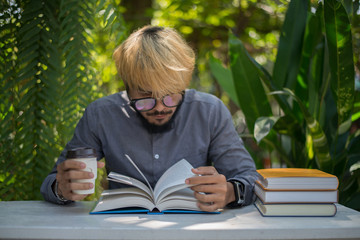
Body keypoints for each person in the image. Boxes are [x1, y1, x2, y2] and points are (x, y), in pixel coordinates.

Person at [40, 25, 258, 212]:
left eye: (170, 93)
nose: (160, 107)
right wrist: (62, 188)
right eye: (145, 95)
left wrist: (230, 192)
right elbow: (50, 183)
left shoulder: (210, 111)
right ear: (127, 87)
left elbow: (250, 178)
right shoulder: (101, 115)